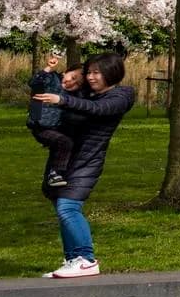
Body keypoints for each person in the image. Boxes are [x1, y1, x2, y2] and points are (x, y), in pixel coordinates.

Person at [31, 52, 135, 279]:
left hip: (87, 162)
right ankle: (72, 259)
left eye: (97, 72)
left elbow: (97, 110)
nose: (91, 77)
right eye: (89, 72)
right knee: (61, 208)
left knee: (68, 208)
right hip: (66, 159)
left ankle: (86, 260)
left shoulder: (120, 96)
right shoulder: (86, 94)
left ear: (112, 72)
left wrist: (63, 100)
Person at [26, 55, 84, 188]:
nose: (72, 83)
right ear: (65, 72)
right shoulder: (52, 79)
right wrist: (48, 68)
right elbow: (34, 82)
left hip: (57, 127)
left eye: (77, 83)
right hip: (41, 126)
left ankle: (56, 175)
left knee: (64, 145)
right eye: (72, 77)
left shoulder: (73, 94)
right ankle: (55, 173)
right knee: (64, 142)